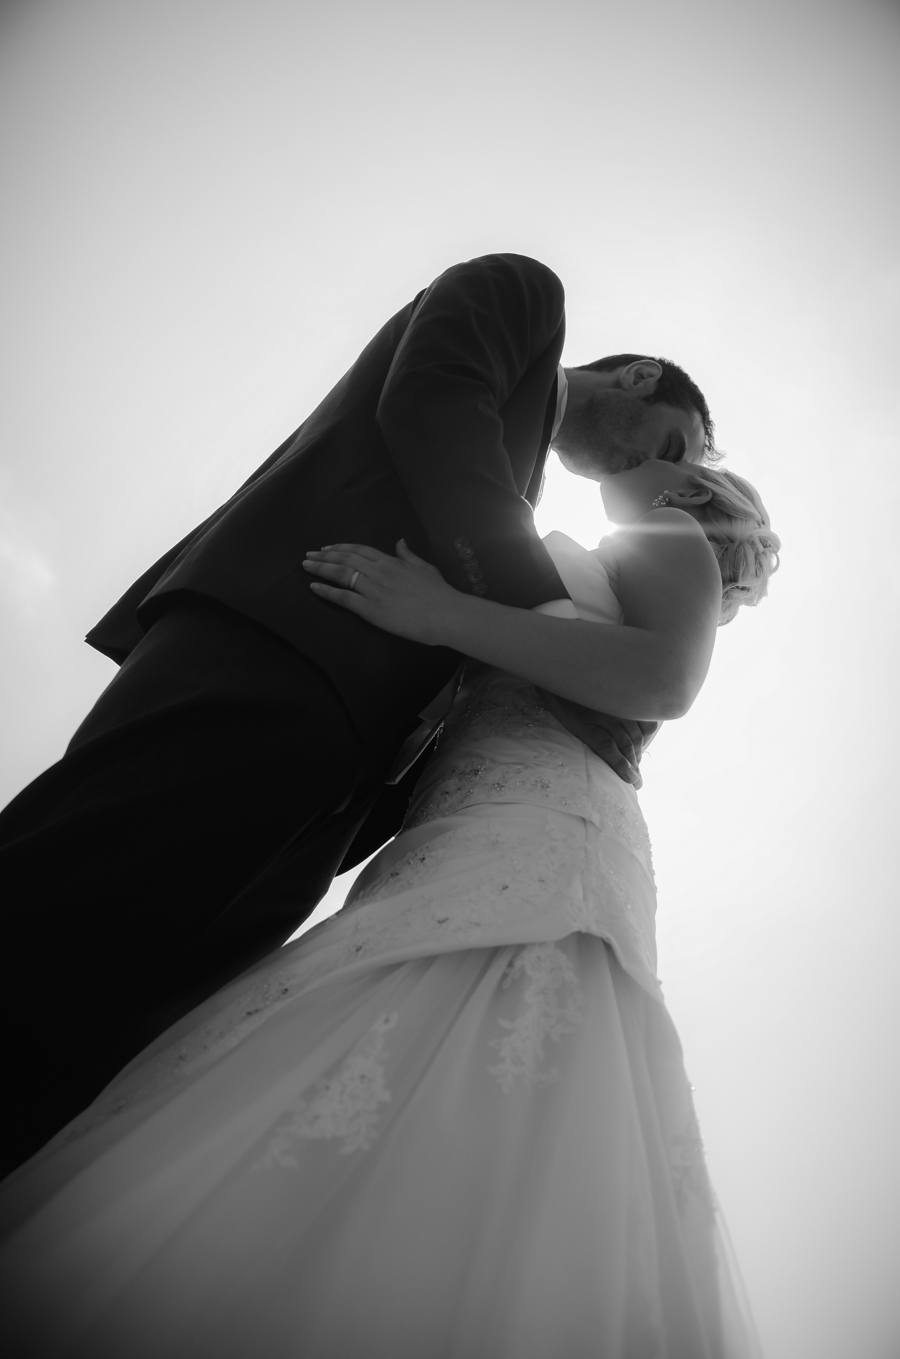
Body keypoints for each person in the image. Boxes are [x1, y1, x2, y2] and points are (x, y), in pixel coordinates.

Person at [0, 457, 779, 1358]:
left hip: (544, 824)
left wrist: (434, 612)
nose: (651, 459)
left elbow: (661, 682)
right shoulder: (614, 557)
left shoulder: (667, 534)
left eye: (677, 451)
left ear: (694, 497)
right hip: (452, 823)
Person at [0, 252, 715, 1178]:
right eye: (667, 446)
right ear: (639, 377)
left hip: (344, 780)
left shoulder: (520, 487)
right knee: (69, 899)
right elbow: (432, 402)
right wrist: (551, 622)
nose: (647, 475)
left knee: (134, 1016)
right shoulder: (522, 293)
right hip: (284, 649)